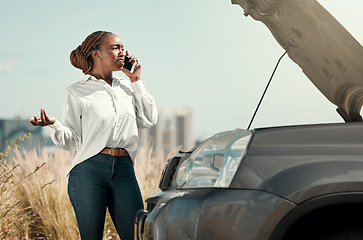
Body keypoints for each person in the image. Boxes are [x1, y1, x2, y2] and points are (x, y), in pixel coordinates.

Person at [30, 31, 158, 240]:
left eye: (122, 48)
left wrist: (136, 81)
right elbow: (73, 140)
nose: (122, 52)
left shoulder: (128, 87)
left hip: (125, 169)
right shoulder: (76, 92)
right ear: (96, 54)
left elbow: (149, 120)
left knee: (138, 235)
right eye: (115, 47)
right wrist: (55, 126)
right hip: (89, 170)